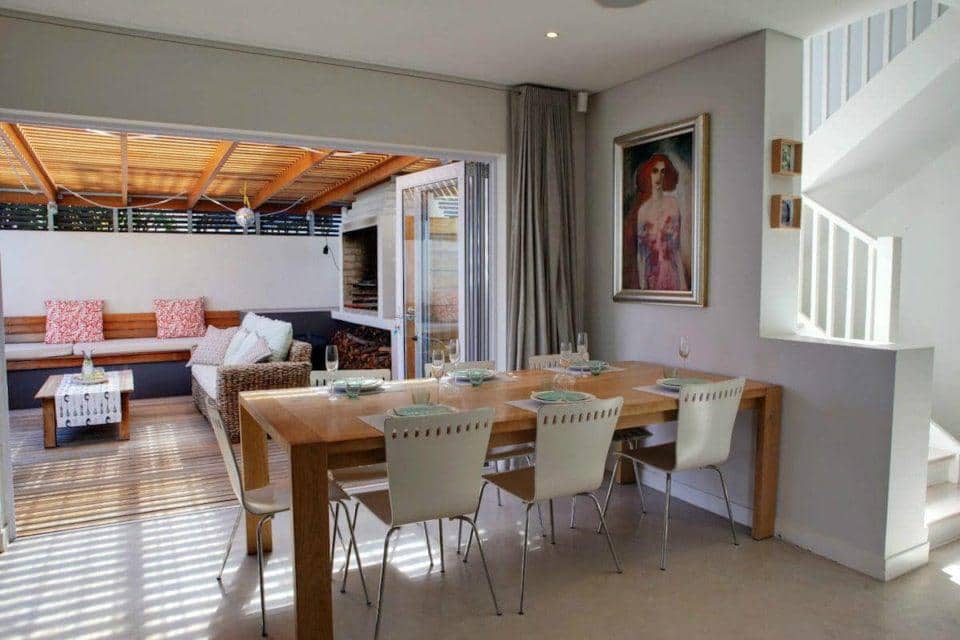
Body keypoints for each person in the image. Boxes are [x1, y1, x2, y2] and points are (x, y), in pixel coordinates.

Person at [622, 153, 688, 291]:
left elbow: (676, 249)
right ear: (648, 174)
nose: (659, 176)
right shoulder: (643, 211)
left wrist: (683, 287)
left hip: (671, 274)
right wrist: (643, 287)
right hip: (651, 277)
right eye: (655, 171)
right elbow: (641, 254)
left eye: (663, 172)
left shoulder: (673, 205)